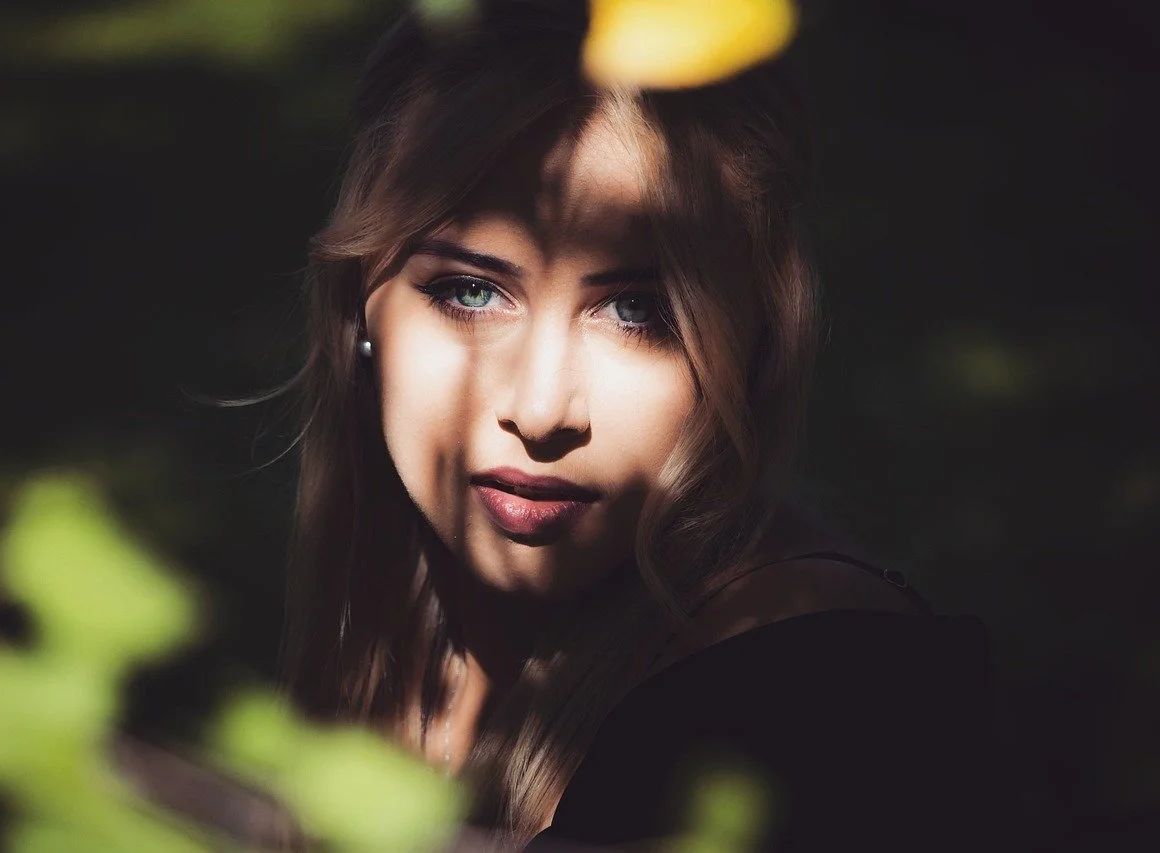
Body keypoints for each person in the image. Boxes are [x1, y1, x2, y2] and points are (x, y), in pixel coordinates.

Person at [280, 1, 1002, 850]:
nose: (543, 409)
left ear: (755, 339)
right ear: (359, 308)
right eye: (470, 291)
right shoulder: (398, 636)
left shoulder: (804, 706)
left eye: (636, 310)